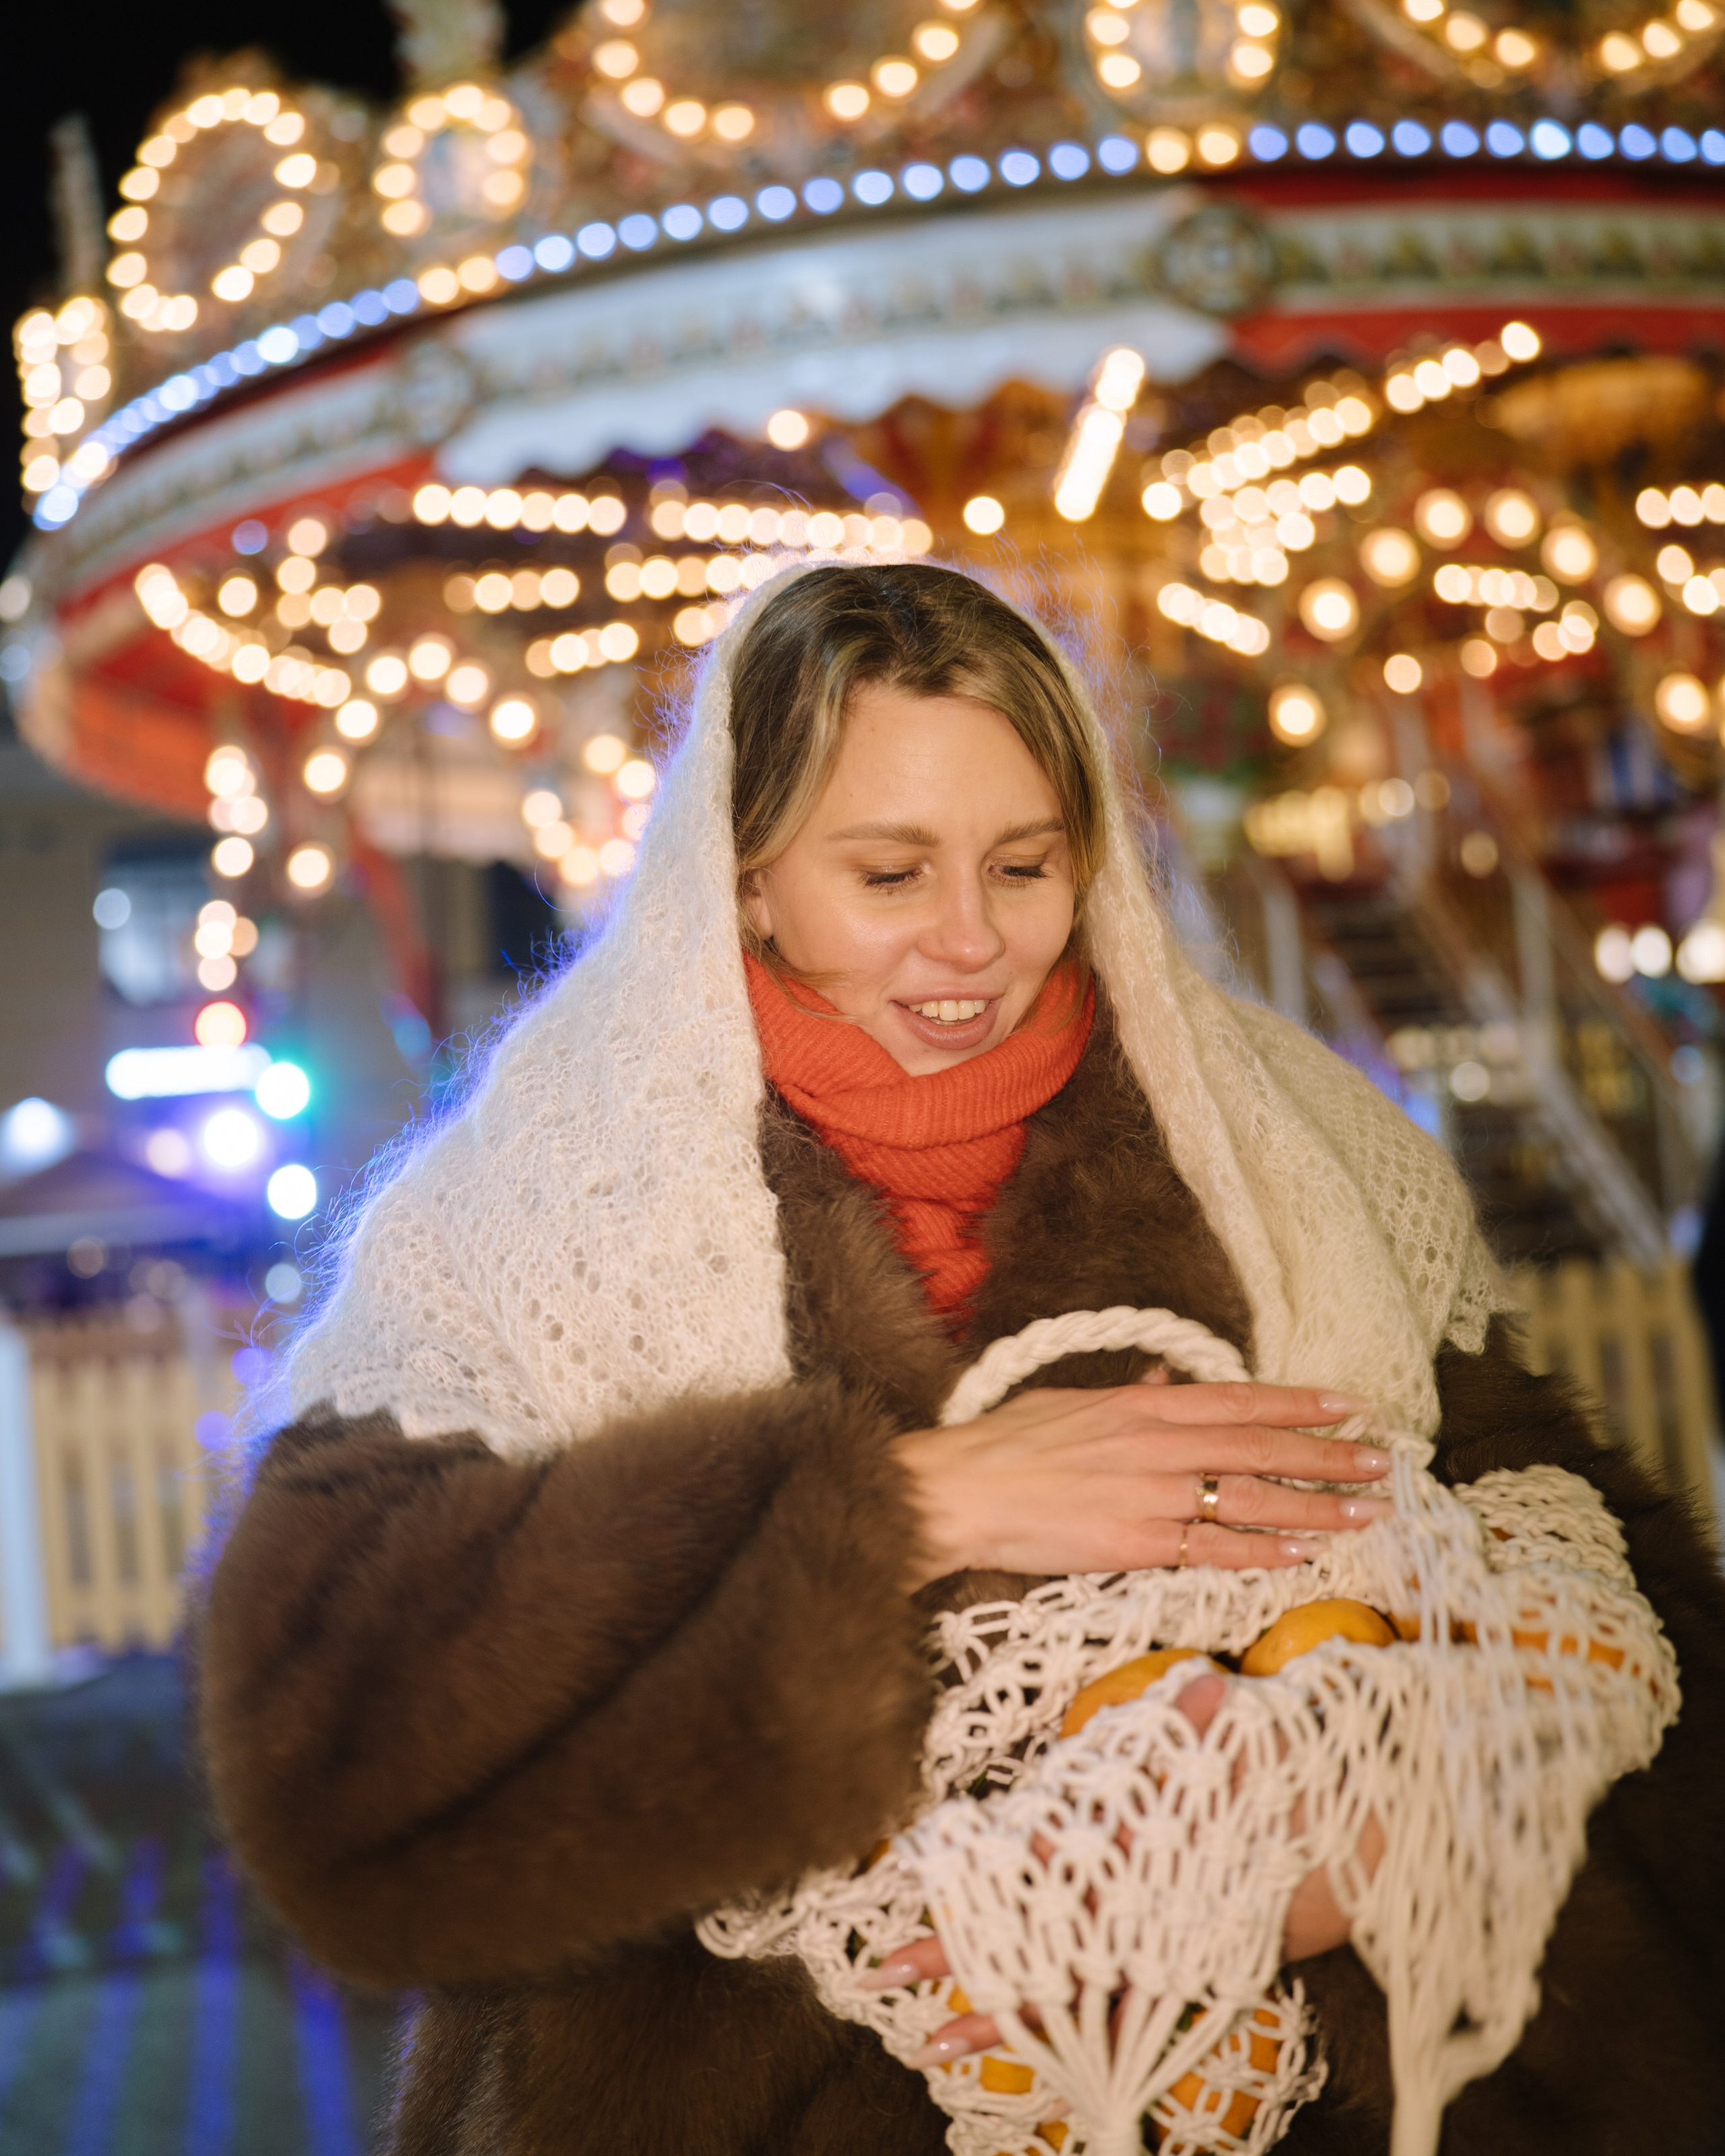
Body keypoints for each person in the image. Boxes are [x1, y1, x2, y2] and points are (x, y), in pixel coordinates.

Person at [199, 563, 1725, 2156]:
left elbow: (1604, 1588)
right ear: (742, 876)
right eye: (887, 871)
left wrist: (1332, 1850)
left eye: (1022, 864)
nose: (969, 941)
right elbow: (339, 1748)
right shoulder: (521, 1211)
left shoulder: (1296, 1146)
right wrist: (895, 1507)